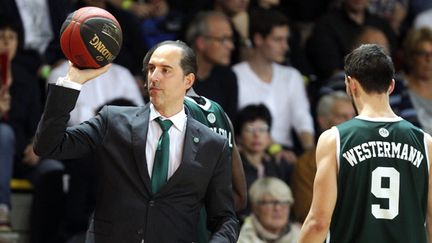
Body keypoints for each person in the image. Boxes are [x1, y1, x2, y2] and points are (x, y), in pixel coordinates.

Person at [33, 40, 239, 242]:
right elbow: (48, 145)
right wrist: (72, 81)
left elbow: (225, 218)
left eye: (165, 70)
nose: (154, 77)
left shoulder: (212, 144)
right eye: (151, 69)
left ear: (188, 80)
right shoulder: (112, 121)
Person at [298, 44, 432, 243]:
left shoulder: (334, 139)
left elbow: (318, 222)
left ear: (351, 84)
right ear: (391, 86)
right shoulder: (425, 142)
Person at [233, 9, 315, 159]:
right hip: (249, 154)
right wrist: (275, 150)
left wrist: (310, 154)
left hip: (287, 154)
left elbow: (302, 118)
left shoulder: (292, 76)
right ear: (258, 39)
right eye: (278, 40)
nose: (285, 47)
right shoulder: (236, 75)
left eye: (286, 40)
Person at [291, 91, 355, 223]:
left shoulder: (371, 154)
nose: (351, 122)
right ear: (323, 121)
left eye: (353, 116)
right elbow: (306, 212)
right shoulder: (306, 164)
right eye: (342, 116)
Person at [185, 10, 238, 120]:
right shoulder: (175, 76)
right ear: (201, 43)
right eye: (223, 39)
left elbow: (228, 126)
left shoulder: (228, 78)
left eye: (230, 39)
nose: (231, 46)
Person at [237, 177, 300, 243]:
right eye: (270, 202)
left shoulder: (302, 235)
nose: (277, 208)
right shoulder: (240, 239)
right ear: (255, 207)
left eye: (283, 202)